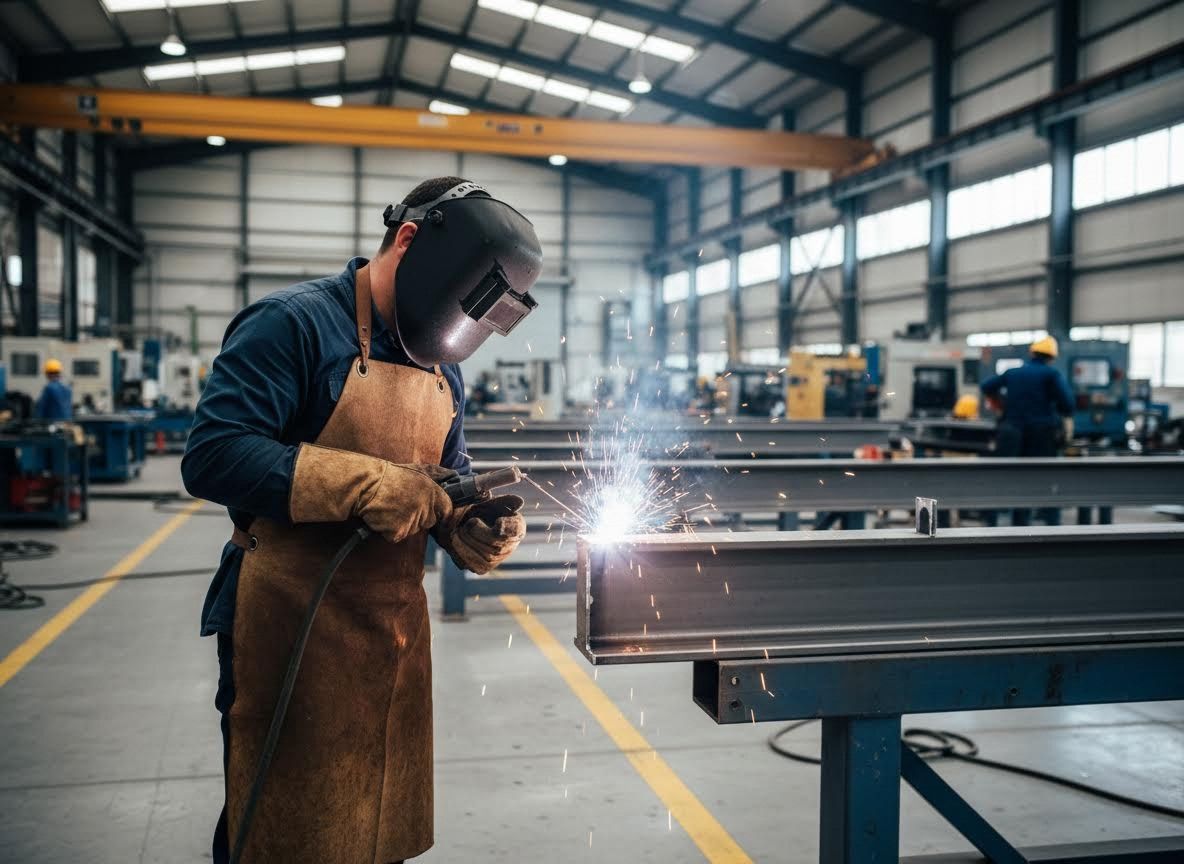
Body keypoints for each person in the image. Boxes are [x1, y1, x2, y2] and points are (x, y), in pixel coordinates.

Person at [182, 177, 542, 864]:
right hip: (287, 621)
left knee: (376, 815)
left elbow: (444, 474)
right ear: (408, 241)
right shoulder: (291, 324)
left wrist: (467, 522)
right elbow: (214, 455)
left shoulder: (442, 365)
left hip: (392, 630)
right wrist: (363, 482)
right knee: (281, 825)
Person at [980, 335, 1074, 525]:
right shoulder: (1051, 375)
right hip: (1041, 437)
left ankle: (1000, 522)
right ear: (1051, 357)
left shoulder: (1013, 372)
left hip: (1011, 434)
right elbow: (1068, 405)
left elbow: (986, 386)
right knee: (1045, 481)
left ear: (1031, 353)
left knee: (1010, 479)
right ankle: (1051, 527)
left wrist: (1002, 404)